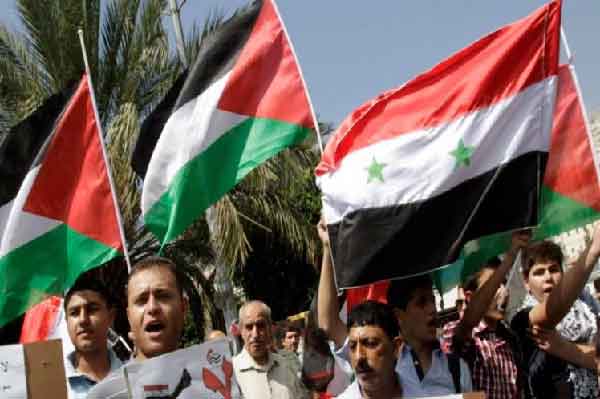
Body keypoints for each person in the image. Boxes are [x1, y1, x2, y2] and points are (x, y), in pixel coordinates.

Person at [316, 218, 472, 396]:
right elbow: (328, 325)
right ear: (399, 316)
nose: (432, 310)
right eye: (421, 302)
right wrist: (328, 248)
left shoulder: (456, 369)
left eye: (432, 301)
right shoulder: (382, 352)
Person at [510, 225, 600, 399]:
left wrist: (567, 349)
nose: (548, 277)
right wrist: (592, 251)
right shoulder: (521, 318)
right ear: (526, 282)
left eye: (553, 269)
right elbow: (553, 310)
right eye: (539, 272)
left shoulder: (588, 309)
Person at [441, 231, 529, 399]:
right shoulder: (456, 333)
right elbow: (468, 322)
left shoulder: (510, 338)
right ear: (469, 297)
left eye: (504, 282)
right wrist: (511, 254)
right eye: (493, 285)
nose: (503, 291)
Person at [88, 256, 188, 399]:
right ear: (129, 316)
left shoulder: (217, 379)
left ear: (183, 307)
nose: (152, 308)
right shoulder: (103, 396)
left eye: (163, 296)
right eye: (142, 300)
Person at [233, 300, 308, 399]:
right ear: (241, 331)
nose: (255, 334)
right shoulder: (232, 373)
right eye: (249, 327)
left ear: (270, 328)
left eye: (260, 326)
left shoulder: (286, 365)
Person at [63, 274, 122, 399]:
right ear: (66, 322)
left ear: (111, 317)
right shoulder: (52, 385)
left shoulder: (134, 378)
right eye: (74, 313)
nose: (83, 320)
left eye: (92, 309)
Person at [337, 301, 402, 399]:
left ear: (396, 348)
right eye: (352, 346)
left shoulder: (427, 393)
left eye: (371, 344)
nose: (359, 356)